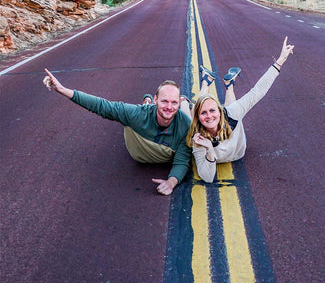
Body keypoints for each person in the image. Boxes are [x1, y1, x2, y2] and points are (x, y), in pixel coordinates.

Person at [43, 70, 191, 195]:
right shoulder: (137, 114)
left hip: (164, 153)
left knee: (189, 113)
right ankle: (147, 103)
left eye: (174, 102)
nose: (169, 107)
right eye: (164, 101)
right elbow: (103, 106)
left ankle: (182, 101)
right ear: (156, 99)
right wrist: (63, 90)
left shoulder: (185, 124)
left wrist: (171, 182)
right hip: (140, 143)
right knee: (137, 112)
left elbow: (182, 160)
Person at [188, 37, 294, 183]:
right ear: (199, 118)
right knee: (200, 108)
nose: (209, 116)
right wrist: (209, 150)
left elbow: (257, 92)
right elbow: (207, 177)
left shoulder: (231, 112)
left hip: (238, 150)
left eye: (213, 111)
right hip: (223, 145)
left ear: (220, 110)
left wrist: (280, 60)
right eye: (204, 114)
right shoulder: (198, 139)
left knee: (233, 109)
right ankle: (226, 84)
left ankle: (211, 82)